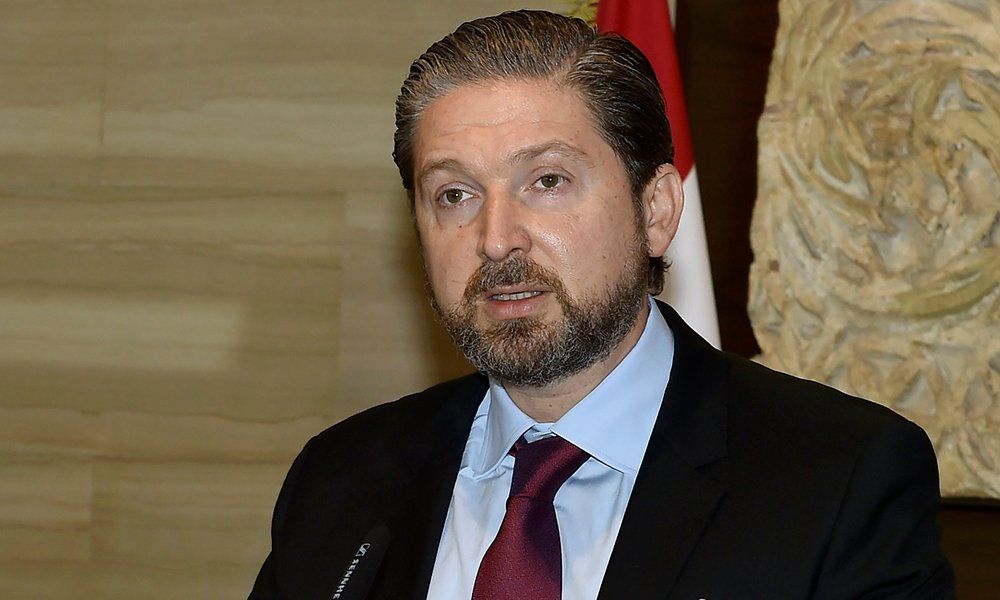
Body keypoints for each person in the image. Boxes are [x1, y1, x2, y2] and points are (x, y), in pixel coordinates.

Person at [249, 10, 954, 600]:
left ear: (656, 210)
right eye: (454, 195)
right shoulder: (343, 479)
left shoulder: (838, 480)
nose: (495, 239)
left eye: (547, 181)